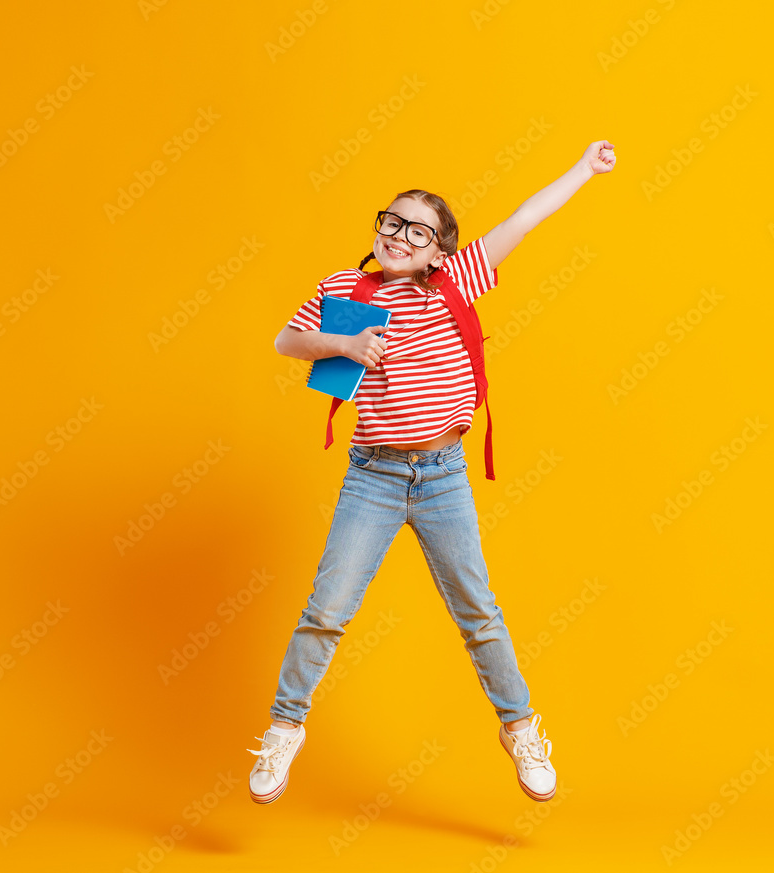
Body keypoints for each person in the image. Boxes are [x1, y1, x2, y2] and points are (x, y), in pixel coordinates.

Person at [249, 140, 617, 805]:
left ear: (438, 251)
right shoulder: (345, 290)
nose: (397, 234)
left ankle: (521, 728)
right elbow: (286, 340)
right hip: (374, 475)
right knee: (326, 608)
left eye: (416, 230)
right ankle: (284, 727)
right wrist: (344, 343)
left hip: (443, 476)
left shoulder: (455, 283)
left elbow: (524, 218)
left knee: (478, 611)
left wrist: (584, 169)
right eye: (390, 221)